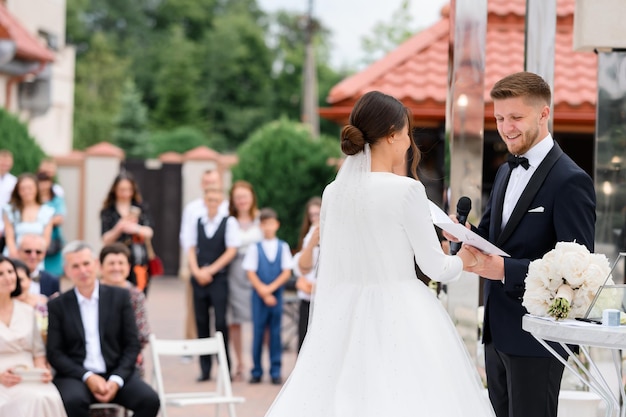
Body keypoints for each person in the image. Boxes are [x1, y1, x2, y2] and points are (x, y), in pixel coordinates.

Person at [264, 91, 494, 416]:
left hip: (343, 313)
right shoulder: (407, 190)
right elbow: (436, 267)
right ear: (390, 134)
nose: (409, 143)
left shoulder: (332, 192)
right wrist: (466, 260)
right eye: (407, 133)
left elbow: (332, 260)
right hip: (401, 312)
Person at [457, 72, 596, 417]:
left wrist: (505, 269)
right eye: (500, 118)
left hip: (540, 338)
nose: (506, 128)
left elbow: (577, 270)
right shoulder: (505, 172)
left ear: (543, 114)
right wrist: (462, 233)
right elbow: (493, 239)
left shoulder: (571, 180)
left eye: (516, 118)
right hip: (496, 332)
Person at [46, 241, 160, 417]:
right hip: (76, 375)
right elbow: (55, 353)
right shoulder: (57, 305)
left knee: (149, 400)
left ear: (96, 265)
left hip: (115, 372)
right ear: (67, 271)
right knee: (73, 401)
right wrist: (88, 377)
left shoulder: (120, 297)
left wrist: (116, 379)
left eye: (86, 264)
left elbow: (132, 345)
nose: (83, 271)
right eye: (75, 266)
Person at [0, 255, 67, 417]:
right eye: (0, 273)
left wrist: (42, 371)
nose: (8, 277)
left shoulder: (28, 311)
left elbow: (38, 351)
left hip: (28, 374)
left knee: (46, 397)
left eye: (10, 271)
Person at [187, 187, 240, 382]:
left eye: (216, 199)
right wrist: (197, 271)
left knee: (220, 323)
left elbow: (231, 251)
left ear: (221, 201)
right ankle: (205, 368)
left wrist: (210, 271)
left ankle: (225, 367)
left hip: (218, 278)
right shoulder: (198, 221)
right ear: (205, 200)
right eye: (210, 199)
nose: (213, 203)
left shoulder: (229, 222)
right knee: (201, 323)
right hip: (199, 277)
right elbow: (191, 248)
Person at [243, 208, 293, 385]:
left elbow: (286, 272)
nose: (268, 227)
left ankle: (275, 370)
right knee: (257, 332)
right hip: (259, 297)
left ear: (277, 225)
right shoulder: (255, 248)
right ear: (261, 226)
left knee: (275, 333)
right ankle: (256, 370)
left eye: (271, 223)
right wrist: (263, 291)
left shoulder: (283, 246)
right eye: (265, 224)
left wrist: (270, 289)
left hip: (276, 295)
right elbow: (250, 272)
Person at [179, 170, 229, 344]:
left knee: (221, 317)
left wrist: (212, 269)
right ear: (202, 185)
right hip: (196, 263)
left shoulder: (227, 208)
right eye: (207, 182)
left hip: (222, 268)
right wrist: (197, 270)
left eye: (213, 182)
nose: (210, 186)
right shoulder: (192, 208)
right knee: (195, 311)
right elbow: (187, 240)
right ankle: (193, 346)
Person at [226, 180, 262, 381]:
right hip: (235, 271)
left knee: (259, 319)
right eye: (237, 197)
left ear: (251, 198)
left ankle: (257, 363)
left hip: (257, 272)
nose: (241, 201)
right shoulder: (228, 221)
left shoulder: (260, 219)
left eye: (244, 196)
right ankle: (239, 362)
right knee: (235, 320)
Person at [99, 243, 151, 376]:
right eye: (111, 263)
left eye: (121, 263)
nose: (116, 268)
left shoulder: (135, 295)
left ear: (128, 267)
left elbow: (143, 334)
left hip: (128, 360)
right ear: (101, 267)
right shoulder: (92, 293)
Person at [100, 172, 154, 294]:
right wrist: (119, 227)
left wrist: (136, 228)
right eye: (122, 189)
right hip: (116, 259)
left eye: (129, 189)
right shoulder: (108, 210)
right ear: (115, 190)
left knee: (138, 293)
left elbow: (149, 231)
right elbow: (105, 239)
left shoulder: (140, 207)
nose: (126, 193)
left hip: (139, 259)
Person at [292, 197, 321, 352]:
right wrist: (311, 243)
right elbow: (303, 267)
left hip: (323, 296)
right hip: (307, 297)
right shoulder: (309, 236)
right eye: (312, 215)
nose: (315, 218)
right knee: (304, 341)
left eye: (318, 214)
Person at [2, 173, 54, 259]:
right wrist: (16, 256)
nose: (26, 191)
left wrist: (36, 255)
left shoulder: (47, 211)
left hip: (36, 256)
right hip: (14, 255)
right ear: (18, 191)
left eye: (30, 188)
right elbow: (9, 237)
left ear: (36, 189)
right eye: (22, 189)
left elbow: (46, 240)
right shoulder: (10, 210)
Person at [37, 172, 66, 277]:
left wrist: (43, 222)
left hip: (53, 238)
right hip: (37, 237)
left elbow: (60, 218)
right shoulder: (34, 200)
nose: (44, 185)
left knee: (53, 273)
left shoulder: (56, 200)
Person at [17, 234, 60, 298]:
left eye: (38, 252)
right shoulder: (9, 278)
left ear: (44, 254)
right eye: (28, 251)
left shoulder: (52, 280)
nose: (33, 256)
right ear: (18, 252)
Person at [0, 150, 17, 254]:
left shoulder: (14, 181)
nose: (4, 164)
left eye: (8, 162)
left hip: (7, 227)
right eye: (2, 161)